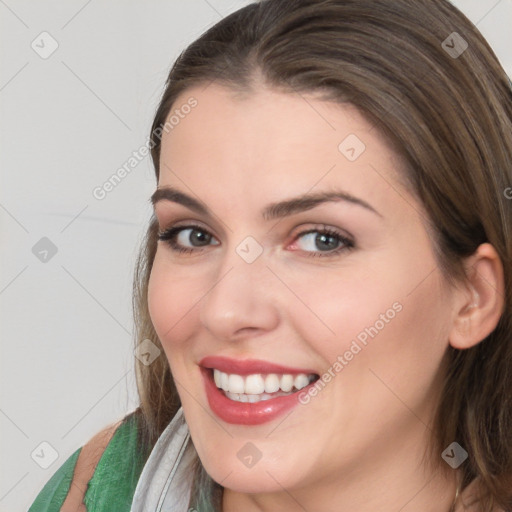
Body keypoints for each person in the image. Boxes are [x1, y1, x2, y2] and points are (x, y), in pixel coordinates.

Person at [28, 0, 512, 510]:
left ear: (472, 297)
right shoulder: (93, 490)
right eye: (193, 235)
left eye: (322, 239)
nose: (225, 310)